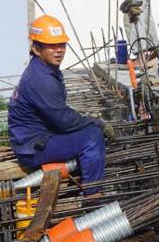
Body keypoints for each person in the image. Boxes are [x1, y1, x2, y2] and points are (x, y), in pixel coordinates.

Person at [8, 15, 111, 195]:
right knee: (92, 137)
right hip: (33, 147)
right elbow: (64, 120)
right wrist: (97, 123)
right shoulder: (41, 79)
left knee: (87, 131)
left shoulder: (45, 69)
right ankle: (93, 196)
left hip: (38, 138)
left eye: (61, 45)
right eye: (52, 46)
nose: (59, 50)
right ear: (36, 48)